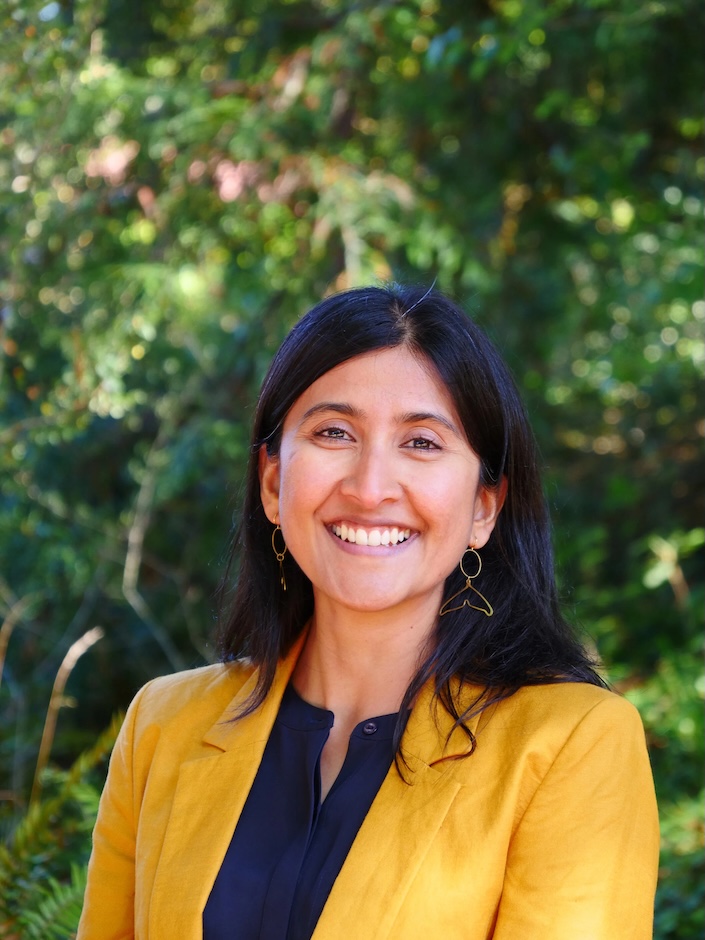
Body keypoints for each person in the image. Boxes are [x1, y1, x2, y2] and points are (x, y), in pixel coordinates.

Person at [77, 284, 659, 940]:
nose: (369, 487)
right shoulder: (162, 726)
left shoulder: (572, 744)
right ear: (272, 482)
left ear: (482, 508)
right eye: (333, 432)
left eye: (421, 443)